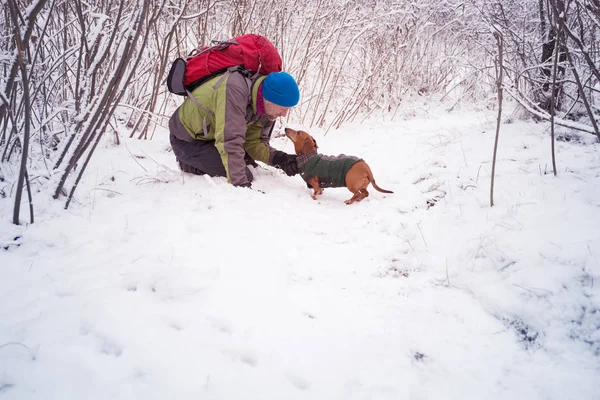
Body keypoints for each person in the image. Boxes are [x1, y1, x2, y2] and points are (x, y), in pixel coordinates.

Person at [168, 70, 300, 188]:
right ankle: (187, 163)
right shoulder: (234, 91)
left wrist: (281, 159)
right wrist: (241, 185)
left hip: (212, 137)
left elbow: (253, 142)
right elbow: (229, 140)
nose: (284, 114)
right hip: (187, 139)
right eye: (284, 108)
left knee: (245, 161)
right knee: (244, 174)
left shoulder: (265, 108)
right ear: (270, 99)